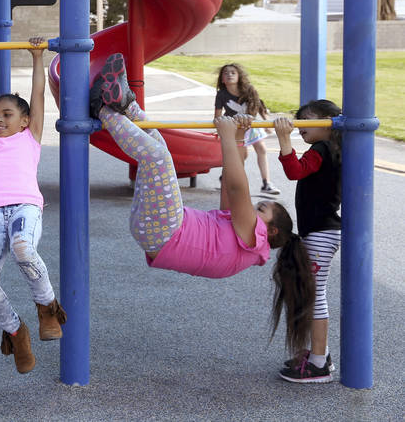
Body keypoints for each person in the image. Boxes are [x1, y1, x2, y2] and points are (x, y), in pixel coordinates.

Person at [91, 53, 315, 356]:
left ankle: (105, 110)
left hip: (166, 231)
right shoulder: (242, 236)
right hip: (160, 229)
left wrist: (224, 134)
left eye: (261, 210)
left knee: (157, 157)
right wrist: (236, 136)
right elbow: (229, 183)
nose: (253, 209)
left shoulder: (254, 239)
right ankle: (126, 103)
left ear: (272, 231)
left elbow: (238, 188)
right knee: (159, 144)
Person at [0, 37, 66, 374]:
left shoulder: (30, 135)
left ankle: (47, 307)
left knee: (23, 247)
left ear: (24, 120)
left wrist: (37, 57)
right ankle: (15, 331)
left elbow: (37, 96)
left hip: (24, 205)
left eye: (7, 114)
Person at [273, 99, 342, 384]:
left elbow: (294, 172)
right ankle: (319, 354)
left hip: (321, 233)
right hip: (323, 231)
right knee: (315, 293)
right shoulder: (333, 150)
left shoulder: (323, 148)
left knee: (315, 296)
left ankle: (318, 364)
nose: (300, 124)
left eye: (306, 120)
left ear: (327, 122)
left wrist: (283, 137)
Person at [215, 62, 277, 195]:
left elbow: (258, 105)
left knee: (261, 148)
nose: (229, 75)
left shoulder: (249, 89)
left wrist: (266, 123)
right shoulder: (222, 94)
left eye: (233, 72)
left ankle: (266, 183)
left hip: (251, 124)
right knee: (240, 156)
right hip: (234, 128)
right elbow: (217, 115)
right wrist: (220, 128)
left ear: (239, 76)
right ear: (222, 79)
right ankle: (230, 180)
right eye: (226, 73)